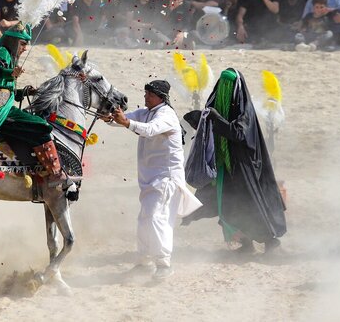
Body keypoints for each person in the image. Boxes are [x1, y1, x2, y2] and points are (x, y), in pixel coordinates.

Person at [0, 22, 79, 185]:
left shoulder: (8, 55)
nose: (25, 48)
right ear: (14, 41)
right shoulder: (2, 51)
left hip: (1, 106)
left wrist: (23, 92)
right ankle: (55, 173)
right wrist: (10, 72)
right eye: (23, 44)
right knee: (41, 125)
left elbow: (0, 87)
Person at [182, 68, 286, 253]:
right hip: (224, 167)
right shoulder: (216, 105)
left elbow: (237, 132)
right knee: (227, 205)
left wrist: (216, 118)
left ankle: (271, 243)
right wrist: (198, 118)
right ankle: (246, 244)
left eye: (228, 85)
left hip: (245, 170)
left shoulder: (245, 112)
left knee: (251, 206)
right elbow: (209, 128)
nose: (225, 89)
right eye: (222, 84)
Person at [106, 80, 185, 280]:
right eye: (145, 93)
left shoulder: (166, 115)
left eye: (149, 94)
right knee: (144, 218)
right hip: (150, 177)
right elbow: (124, 119)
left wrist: (126, 123)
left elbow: (148, 130)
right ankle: (144, 262)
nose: (145, 97)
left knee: (156, 218)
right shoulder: (146, 111)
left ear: (160, 97)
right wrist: (109, 116)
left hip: (166, 177)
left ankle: (164, 264)